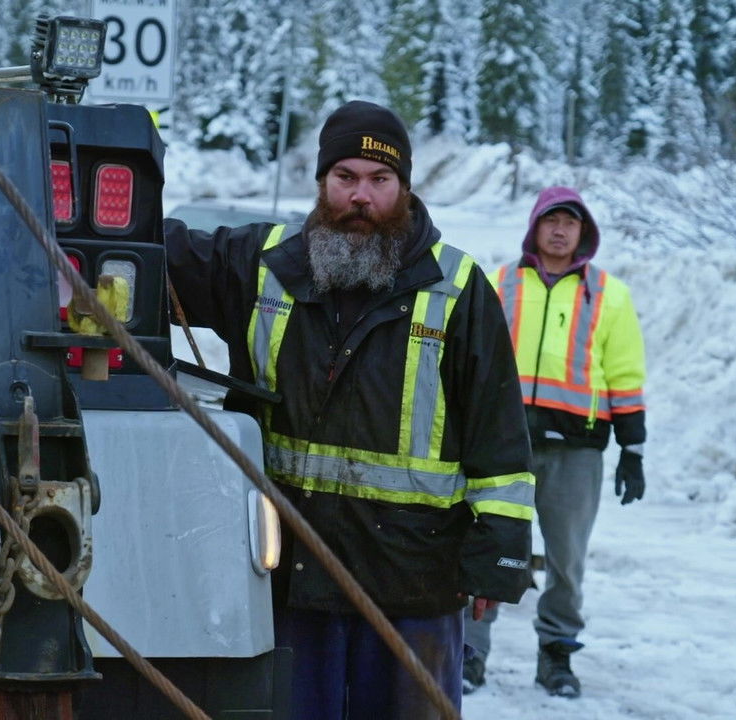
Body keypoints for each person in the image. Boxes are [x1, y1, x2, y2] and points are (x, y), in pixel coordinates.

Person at [163, 101, 535, 718]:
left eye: (379, 179)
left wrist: (498, 555)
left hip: (412, 584)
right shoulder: (264, 266)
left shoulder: (458, 289)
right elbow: (153, 253)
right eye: (346, 177)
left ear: (405, 188)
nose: (362, 196)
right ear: (321, 182)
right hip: (288, 580)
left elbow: (498, 433)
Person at [462, 187, 647, 698]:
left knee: (567, 561)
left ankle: (557, 655)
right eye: (551, 221)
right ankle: (470, 651)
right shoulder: (500, 284)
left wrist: (632, 448)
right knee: (489, 545)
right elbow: (471, 360)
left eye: (570, 222)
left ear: (584, 232)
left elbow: (625, 374)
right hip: (504, 446)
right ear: (534, 227)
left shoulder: (608, 295)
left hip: (576, 450)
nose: (560, 230)